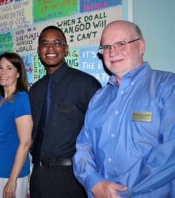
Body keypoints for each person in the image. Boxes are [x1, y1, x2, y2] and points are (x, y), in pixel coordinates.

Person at [73, 20, 175, 198]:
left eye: (120, 44)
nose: (112, 52)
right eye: (106, 47)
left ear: (141, 46)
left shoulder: (168, 87)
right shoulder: (98, 98)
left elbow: (170, 152)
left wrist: (117, 189)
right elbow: (84, 147)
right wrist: (94, 182)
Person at [29, 26, 101, 198]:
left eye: (57, 43)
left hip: (72, 177)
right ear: (39, 51)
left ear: (66, 49)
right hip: (38, 175)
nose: (51, 48)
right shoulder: (36, 90)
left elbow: (101, 134)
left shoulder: (86, 84)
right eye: (45, 44)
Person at [0, 52, 33, 198]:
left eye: (9, 68)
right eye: (0, 67)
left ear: (18, 73)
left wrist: (12, 180)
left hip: (12, 173)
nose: (3, 72)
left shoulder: (21, 99)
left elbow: (26, 142)